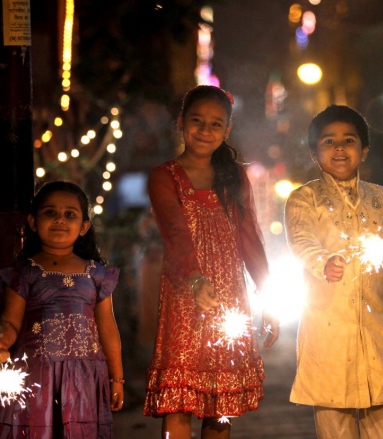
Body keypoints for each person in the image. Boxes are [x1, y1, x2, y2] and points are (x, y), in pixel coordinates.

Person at [143, 85, 279, 439]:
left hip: (228, 295)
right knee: (180, 398)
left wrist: (269, 300)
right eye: (197, 121)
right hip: (183, 294)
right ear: (181, 123)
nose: (205, 131)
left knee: (219, 401)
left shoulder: (233, 176)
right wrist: (195, 278)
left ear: (228, 130)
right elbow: (175, 232)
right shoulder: (164, 176)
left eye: (216, 124)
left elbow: (249, 237)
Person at [284, 104, 383, 438]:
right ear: (314, 152)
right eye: (328, 141)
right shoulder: (304, 199)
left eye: (348, 140)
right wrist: (323, 262)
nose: (339, 148)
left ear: (364, 150)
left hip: (377, 329)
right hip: (327, 332)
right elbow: (300, 240)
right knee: (335, 426)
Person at [0, 180, 124, 438]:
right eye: (50, 212)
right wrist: (1, 342)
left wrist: (117, 379)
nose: (60, 219)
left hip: (86, 376)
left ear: (84, 227)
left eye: (69, 214)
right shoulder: (24, 273)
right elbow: (11, 322)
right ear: (32, 222)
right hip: (38, 376)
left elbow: (107, 328)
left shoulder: (96, 274)